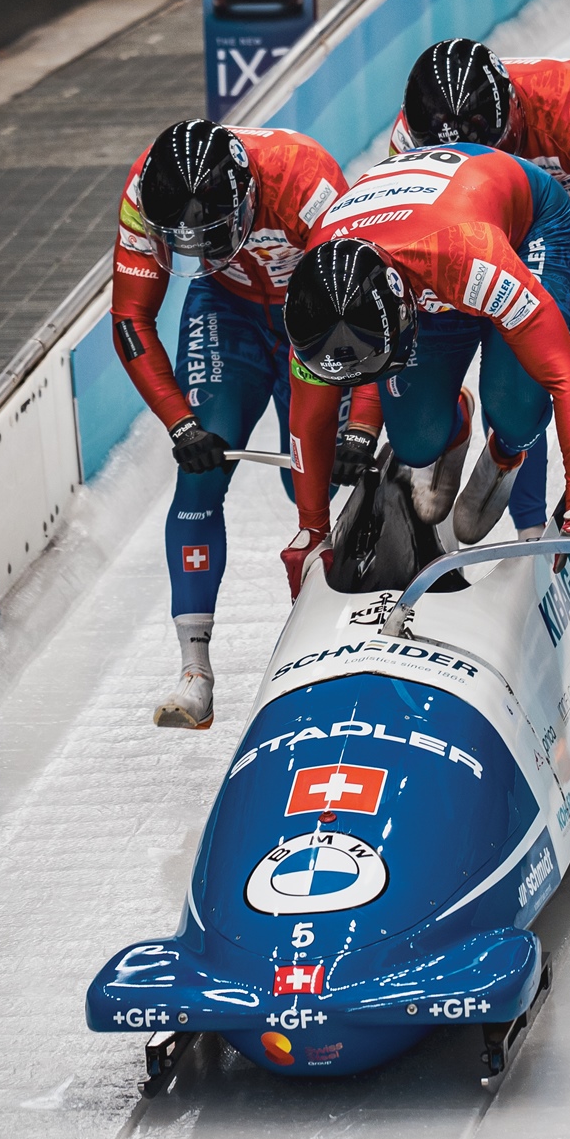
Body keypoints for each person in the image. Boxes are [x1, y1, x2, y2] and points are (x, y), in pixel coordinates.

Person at [111, 120, 382, 730]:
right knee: (198, 478)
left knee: (307, 482)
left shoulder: (307, 183)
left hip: (315, 319)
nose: (197, 251)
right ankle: (194, 671)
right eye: (185, 243)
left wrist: (362, 424)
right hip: (226, 312)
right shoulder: (143, 191)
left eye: (211, 236)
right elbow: (131, 319)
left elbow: (366, 309)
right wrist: (181, 425)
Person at [283, 144, 570, 594]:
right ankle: (452, 423)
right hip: (421, 249)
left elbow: (567, 376)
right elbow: (308, 421)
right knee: (414, 444)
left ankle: (507, 450)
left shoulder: (472, 260)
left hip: (520, 232)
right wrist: (311, 531)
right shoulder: (315, 304)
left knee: (516, 406)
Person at [390, 39, 570, 538]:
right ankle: (465, 435)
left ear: (516, 109)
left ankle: (516, 464)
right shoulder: (409, 137)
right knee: (444, 414)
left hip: (567, 229)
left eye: (494, 147)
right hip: (472, 238)